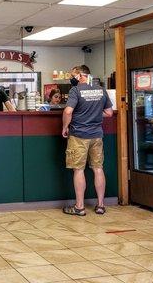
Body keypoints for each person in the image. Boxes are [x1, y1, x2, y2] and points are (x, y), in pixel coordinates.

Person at [61, 65, 113, 216]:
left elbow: (68, 111)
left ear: (80, 75)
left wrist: (65, 126)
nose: (71, 78)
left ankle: (79, 207)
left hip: (79, 135)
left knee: (79, 170)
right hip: (97, 135)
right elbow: (109, 113)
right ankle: (101, 205)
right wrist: (95, 114)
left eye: (73, 75)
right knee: (98, 168)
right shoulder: (101, 89)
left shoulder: (75, 90)